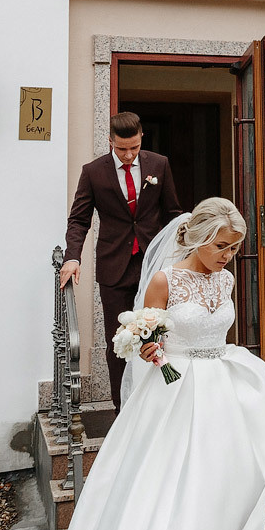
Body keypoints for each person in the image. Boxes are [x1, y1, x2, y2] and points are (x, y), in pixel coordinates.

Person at [20, 198, 265, 530]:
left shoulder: (224, 279)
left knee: (216, 505)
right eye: (222, 246)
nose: (228, 256)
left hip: (219, 398)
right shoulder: (164, 280)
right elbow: (139, 339)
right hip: (173, 397)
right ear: (200, 237)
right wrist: (151, 349)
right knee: (166, 505)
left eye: (234, 248)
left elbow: (221, 332)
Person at [63, 112, 184, 407]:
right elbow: (79, 220)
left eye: (134, 147)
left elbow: (172, 214)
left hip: (152, 266)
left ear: (141, 137)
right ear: (110, 142)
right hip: (114, 269)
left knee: (159, 337)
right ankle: (124, 409)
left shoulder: (159, 164)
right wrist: (72, 257)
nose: (128, 155)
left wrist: (184, 255)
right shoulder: (93, 172)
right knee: (119, 342)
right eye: (121, 149)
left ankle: (158, 404)